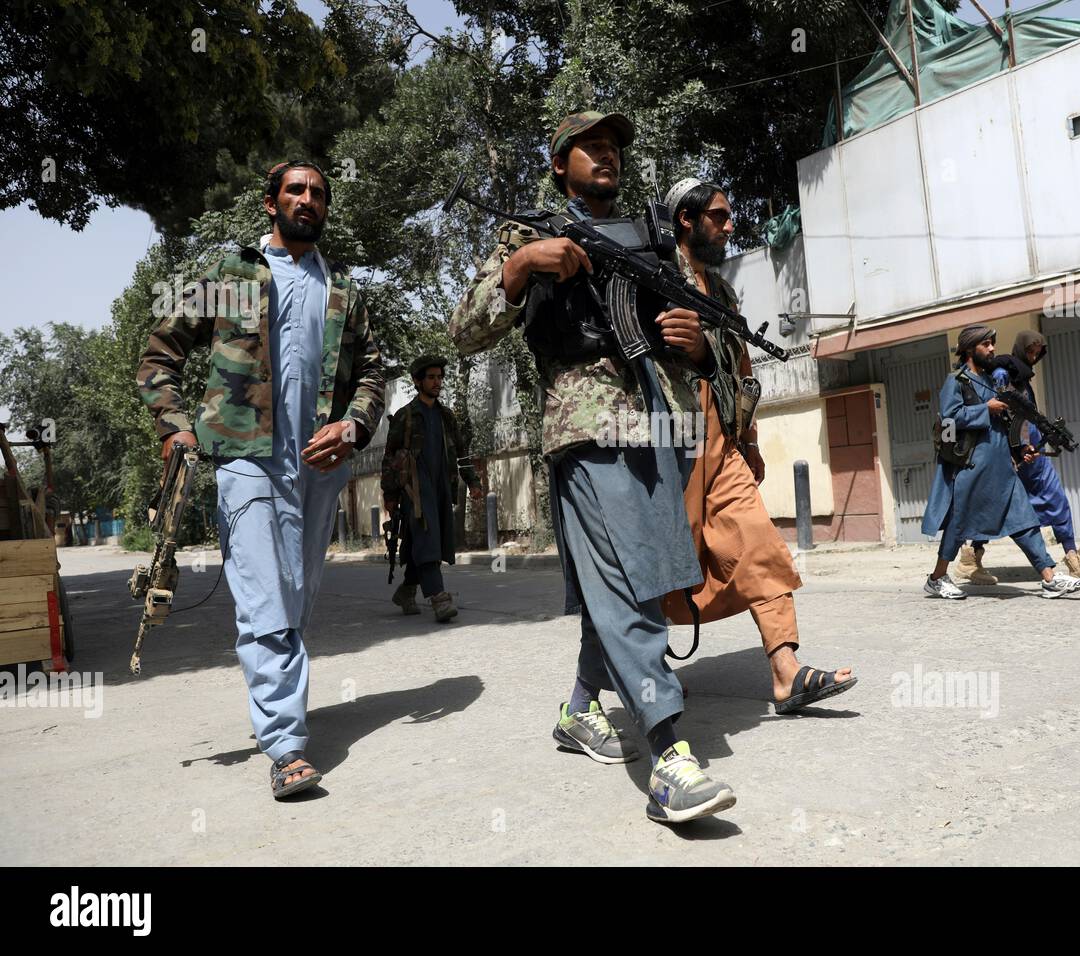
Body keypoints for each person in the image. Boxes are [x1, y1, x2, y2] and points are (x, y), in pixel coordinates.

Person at [449, 111, 737, 824]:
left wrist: (696, 346)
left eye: (614, 148)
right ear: (558, 164)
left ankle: (580, 709)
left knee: (641, 576)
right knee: (627, 583)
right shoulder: (525, 235)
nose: (607, 156)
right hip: (589, 426)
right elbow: (464, 331)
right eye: (591, 147)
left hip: (661, 425)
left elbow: (706, 338)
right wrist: (520, 268)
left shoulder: (653, 238)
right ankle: (668, 754)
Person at [137, 161, 386, 799]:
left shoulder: (344, 293)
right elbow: (160, 348)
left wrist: (353, 428)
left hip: (317, 466)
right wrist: (174, 425)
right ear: (270, 203)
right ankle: (286, 744)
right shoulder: (229, 276)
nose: (308, 199)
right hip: (244, 457)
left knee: (294, 598)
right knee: (265, 599)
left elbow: (375, 376)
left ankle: (281, 705)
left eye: (318, 193)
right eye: (296, 190)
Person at [659, 177, 856, 713]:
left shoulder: (721, 293)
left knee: (758, 539)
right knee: (660, 559)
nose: (728, 227)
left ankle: (785, 671)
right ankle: (622, 678)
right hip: (668, 441)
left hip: (721, 441)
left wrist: (748, 437)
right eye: (719, 217)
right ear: (686, 220)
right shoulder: (654, 275)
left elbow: (742, 369)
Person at [920, 325, 1080, 600]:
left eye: (992, 343)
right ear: (969, 349)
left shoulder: (990, 380)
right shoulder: (957, 380)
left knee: (1023, 520)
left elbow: (1005, 423)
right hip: (971, 466)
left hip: (1001, 465)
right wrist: (984, 409)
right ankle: (937, 578)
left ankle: (1049, 577)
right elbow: (949, 420)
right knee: (957, 524)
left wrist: (1020, 449)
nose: (991, 349)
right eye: (985, 344)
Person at [958, 330, 1080, 585]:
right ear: (1020, 349)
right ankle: (970, 559)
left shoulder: (1023, 377)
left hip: (1034, 455)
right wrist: (1018, 447)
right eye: (1030, 351)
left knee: (1057, 500)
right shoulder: (1002, 375)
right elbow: (1003, 415)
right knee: (996, 510)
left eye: (1037, 353)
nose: (1033, 356)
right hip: (1011, 455)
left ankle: (1073, 559)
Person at [382, 355, 483, 619]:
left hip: (442, 487)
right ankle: (439, 598)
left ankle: (407, 590)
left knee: (430, 540)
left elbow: (461, 453)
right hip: (415, 489)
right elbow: (390, 457)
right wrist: (390, 495)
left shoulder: (446, 416)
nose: (437, 382)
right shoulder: (406, 416)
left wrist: (472, 481)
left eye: (440, 377)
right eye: (431, 377)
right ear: (418, 381)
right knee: (427, 536)